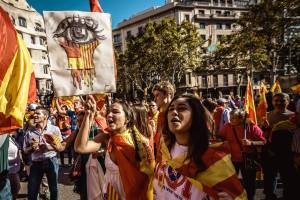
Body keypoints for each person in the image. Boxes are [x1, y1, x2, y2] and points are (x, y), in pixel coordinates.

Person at [155, 94, 246, 200]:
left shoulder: (214, 158)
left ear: (196, 116)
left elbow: (239, 196)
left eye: (182, 108)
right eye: (171, 109)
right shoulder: (163, 149)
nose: (174, 112)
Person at [75, 96, 154, 200]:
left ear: (127, 119)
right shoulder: (107, 136)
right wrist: (88, 114)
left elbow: (147, 180)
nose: (109, 115)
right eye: (109, 112)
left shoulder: (139, 143)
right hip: (109, 194)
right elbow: (80, 147)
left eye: (115, 112)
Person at [219, 109, 266, 200]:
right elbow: (220, 137)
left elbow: (264, 142)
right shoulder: (227, 126)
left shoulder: (251, 127)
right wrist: (223, 141)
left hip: (248, 159)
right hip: (232, 160)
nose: (230, 120)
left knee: (249, 184)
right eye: (230, 118)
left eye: (233, 118)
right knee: (231, 183)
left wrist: (251, 143)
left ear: (242, 119)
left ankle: (250, 198)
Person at [23, 106, 64, 200]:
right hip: (36, 163)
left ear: (45, 116)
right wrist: (32, 148)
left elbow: (60, 148)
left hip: (51, 161)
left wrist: (47, 147)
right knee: (32, 190)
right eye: (35, 113)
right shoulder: (29, 132)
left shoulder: (54, 129)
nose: (35, 115)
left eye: (38, 113)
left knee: (54, 189)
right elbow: (25, 150)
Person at [261, 93, 294, 200]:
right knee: (270, 177)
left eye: (282, 100)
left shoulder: (294, 116)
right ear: (272, 102)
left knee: (288, 177)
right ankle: (270, 196)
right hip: (271, 152)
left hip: (288, 152)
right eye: (276, 100)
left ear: (288, 102)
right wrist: (265, 129)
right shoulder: (268, 115)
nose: (279, 103)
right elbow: (265, 136)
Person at [152, 81, 175, 155]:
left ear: (167, 94)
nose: (154, 99)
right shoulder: (160, 114)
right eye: (154, 96)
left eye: (157, 95)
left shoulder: (176, 114)